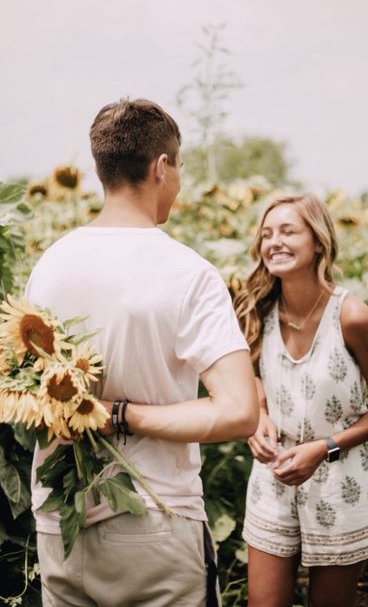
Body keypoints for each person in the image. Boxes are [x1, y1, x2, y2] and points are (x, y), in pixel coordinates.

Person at [26, 98, 259, 607]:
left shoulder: (50, 264)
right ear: (161, 167)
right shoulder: (187, 272)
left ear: (98, 169)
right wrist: (120, 416)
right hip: (155, 518)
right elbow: (240, 411)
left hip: (59, 523)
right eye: (179, 168)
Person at [234, 193, 368, 607]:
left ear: (319, 242)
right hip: (273, 476)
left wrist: (323, 448)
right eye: (267, 234)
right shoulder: (258, 309)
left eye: (289, 231)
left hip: (340, 482)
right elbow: (253, 374)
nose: (274, 242)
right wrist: (258, 416)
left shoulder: (352, 316)